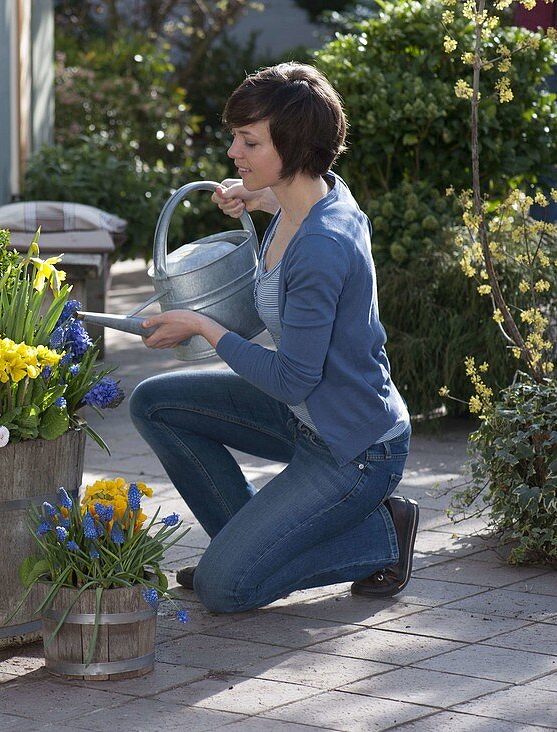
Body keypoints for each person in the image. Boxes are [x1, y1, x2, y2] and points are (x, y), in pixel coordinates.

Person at [129, 62, 414, 614]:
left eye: (249, 141)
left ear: (294, 146)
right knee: (155, 403)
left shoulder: (322, 246)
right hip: (308, 417)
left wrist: (203, 326)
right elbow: (293, 201)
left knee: (224, 591)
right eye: (236, 136)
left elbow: (290, 378)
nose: (234, 151)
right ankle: (248, 547)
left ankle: (382, 534)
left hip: (351, 449)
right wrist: (257, 196)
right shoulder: (316, 196)